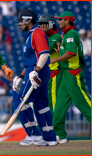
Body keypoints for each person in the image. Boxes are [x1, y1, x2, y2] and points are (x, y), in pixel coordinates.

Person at [13, 9, 57, 146]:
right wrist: (21, 76)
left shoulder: (36, 32)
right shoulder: (32, 34)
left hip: (37, 70)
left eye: (21, 20)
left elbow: (44, 55)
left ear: (27, 19)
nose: (20, 23)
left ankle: (33, 134)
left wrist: (35, 71)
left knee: (19, 99)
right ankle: (49, 137)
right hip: (37, 70)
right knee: (41, 104)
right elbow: (32, 58)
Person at [51, 11, 91, 143]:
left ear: (67, 21)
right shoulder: (66, 34)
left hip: (73, 74)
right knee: (59, 107)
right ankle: (61, 136)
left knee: (84, 104)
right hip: (65, 74)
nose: (59, 21)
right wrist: (60, 52)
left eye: (61, 19)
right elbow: (67, 52)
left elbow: (71, 53)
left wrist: (55, 60)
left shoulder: (72, 34)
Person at [36, 14, 62, 117]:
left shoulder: (56, 37)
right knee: (44, 102)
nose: (40, 27)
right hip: (45, 74)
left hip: (54, 73)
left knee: (53, 101)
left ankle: (54, 127)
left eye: (43, 24)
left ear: (50, 25)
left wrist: (42, 35)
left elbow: (46, 50)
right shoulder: (45, 37)